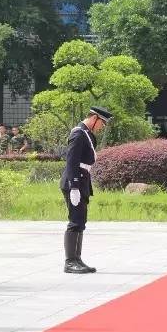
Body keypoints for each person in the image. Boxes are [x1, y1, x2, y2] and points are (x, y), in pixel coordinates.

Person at [60, 106, 111, 274]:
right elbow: (71, 161)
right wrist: (74, 186)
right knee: (75, 221)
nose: (101, 127)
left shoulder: (87, 134)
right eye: (101, 123)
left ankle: (77, 259)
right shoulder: (78, 133)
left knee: (81, 221)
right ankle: (70, 261)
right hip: (74, 182)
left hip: (83, 181)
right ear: (94, 118)